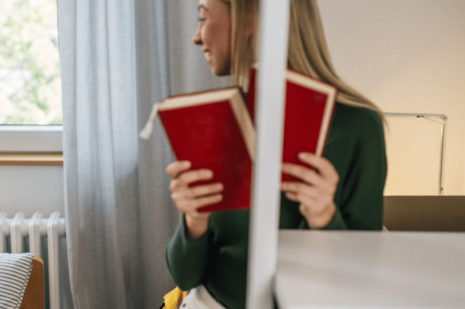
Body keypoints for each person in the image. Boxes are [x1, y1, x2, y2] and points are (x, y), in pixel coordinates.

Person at [165, 0, 387, 308]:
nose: (196, 36)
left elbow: (363, 274)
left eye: (203, 17)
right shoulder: (217, 121)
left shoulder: (357, 127)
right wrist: (194, 221)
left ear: (250, 18)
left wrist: (324, 218)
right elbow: (185, 277)